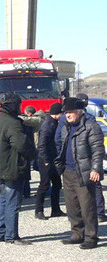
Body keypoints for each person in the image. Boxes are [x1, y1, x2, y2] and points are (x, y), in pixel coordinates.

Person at [55, 97, 104, 249]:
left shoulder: (91, 127)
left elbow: (98, 150)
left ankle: (91, 237)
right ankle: (77, 234)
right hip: (68, 172)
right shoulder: (65, 127)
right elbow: (60, 145)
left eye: (70, 112)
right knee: (72, 206)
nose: (67, 115)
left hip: (84, 172)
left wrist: (95, 169)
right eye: (65, 112)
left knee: (87, 207)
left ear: (79, 112)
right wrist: (60, 166)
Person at [0, 93, 35, 245]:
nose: (20, 107)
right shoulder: (12, 123)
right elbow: (22, 145)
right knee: (13, 203)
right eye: (18, 104)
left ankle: (0, 233)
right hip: (11, 168)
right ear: (12, 106)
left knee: (3, 201)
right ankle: (11, 236)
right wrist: (33, 154)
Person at [34, 103, 66, 220]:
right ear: (57, 113)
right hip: (46, 160)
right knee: (44, 185)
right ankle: (39, 210)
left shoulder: (53, 123)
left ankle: (56, 209)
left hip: (52, 159)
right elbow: (42, 144)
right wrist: (46, 160)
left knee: (57, 184)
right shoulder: (48, 124)